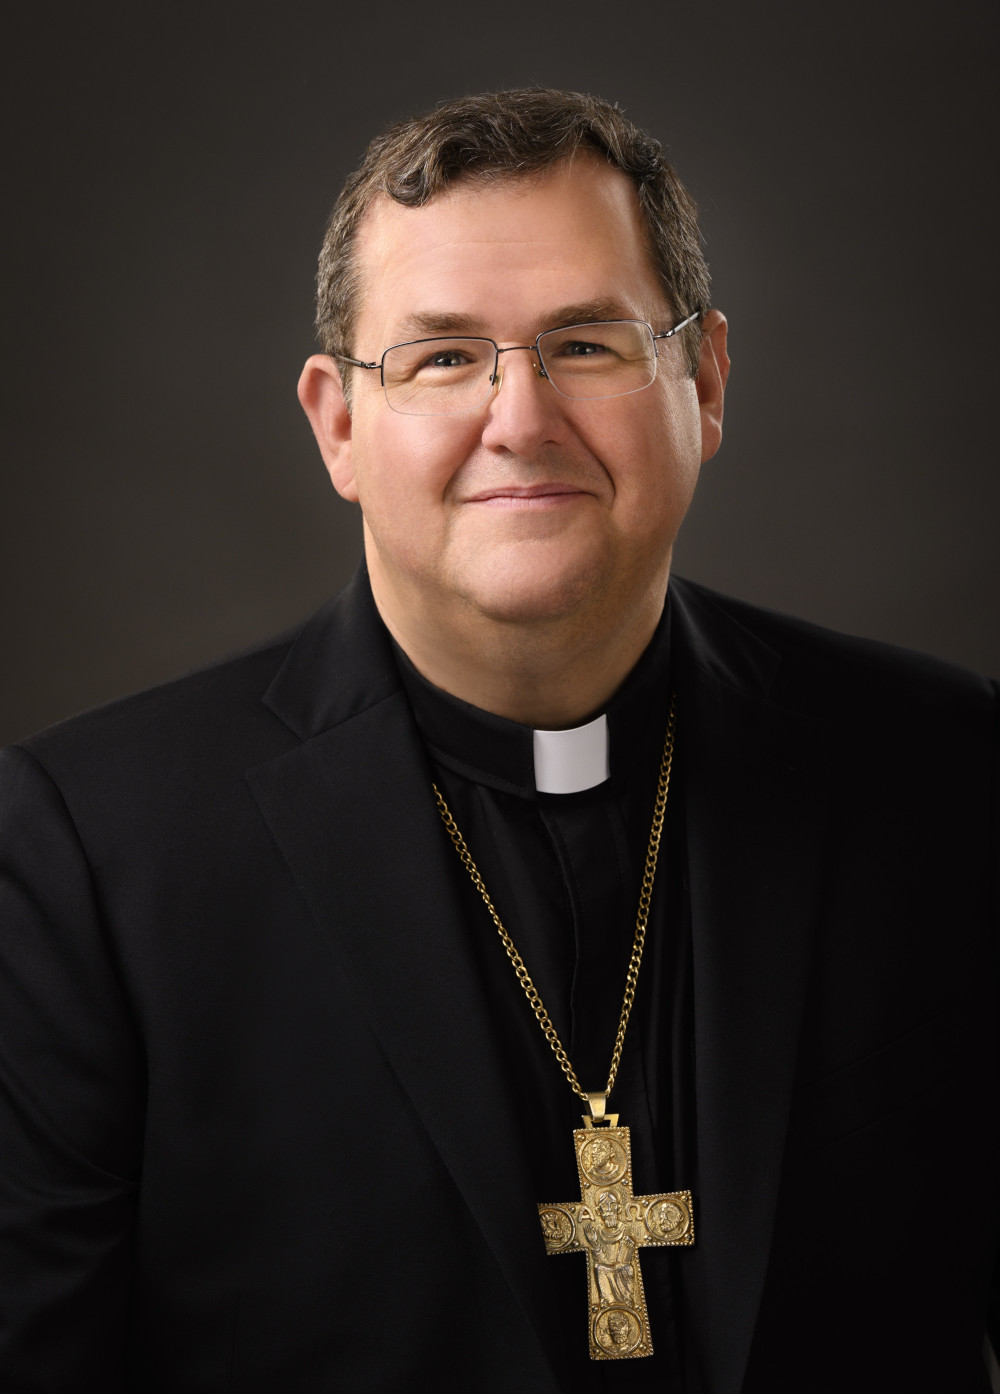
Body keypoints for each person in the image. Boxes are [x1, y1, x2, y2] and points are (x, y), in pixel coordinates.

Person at [0, 87, 997, 1394]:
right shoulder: (95, 858)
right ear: (339, 423)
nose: (520, 418)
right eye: (442, 356)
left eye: (586, 343)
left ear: (702, 380)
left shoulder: (943, 774)